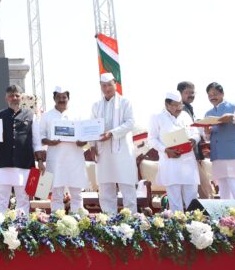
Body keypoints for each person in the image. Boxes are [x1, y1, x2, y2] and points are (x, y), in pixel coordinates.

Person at [89, 72, 138, 214]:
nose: (107, 88)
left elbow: (131, 123)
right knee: (105, 189)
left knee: (127, 188)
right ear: (100, 87)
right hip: (103, 152)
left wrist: (111, 133)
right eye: (104, 86)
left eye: (109, 85)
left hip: (123, 152)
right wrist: (92, 146)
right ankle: (109, 220)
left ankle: (131, 220)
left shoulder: (125, 102)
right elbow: (91, 127)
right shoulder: (96, 106)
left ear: (115, 84)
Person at [0, 84, 45, 214]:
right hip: (3, 163)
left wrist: (40, 161)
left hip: (24, 163)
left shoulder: (31, 115)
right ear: (6, 98)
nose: (14, 98)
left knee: (23, 199)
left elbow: (36, 141)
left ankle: (22, 224)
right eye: (11, 96)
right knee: (1, 199)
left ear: (21, 98)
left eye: (17, 95)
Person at [39, 87, 88, 213]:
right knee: (56, 193)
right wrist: (50, 142)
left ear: (68, 98)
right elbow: (41, 136)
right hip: (56, 159)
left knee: (77, 193)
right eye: (58, 97)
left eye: (64, 97)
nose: (61, 100)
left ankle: (78, 217)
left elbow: (85, 136)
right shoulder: (46, 116)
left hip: (75, 158)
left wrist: (82, 142)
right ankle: (57, 218)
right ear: (54, 98)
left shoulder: (78, 115)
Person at [148, 92, 200, 211]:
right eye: (175, 105)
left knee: (192, 197)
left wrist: (194, 140)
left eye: (180, 104)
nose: (178, 108)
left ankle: (195, 222)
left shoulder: (185, 115)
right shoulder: (156, 117)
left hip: (188, 162)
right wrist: (165, 150)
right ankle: (178, 223)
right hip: (170, 162)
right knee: (175, 201)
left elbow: (196, 132)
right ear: (166, 104)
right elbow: (151, 139)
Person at [204, 82, 235, 201]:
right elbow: (206, 137)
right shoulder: (208, 114)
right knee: (223, 190)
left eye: (215, 94)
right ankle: (228, 213)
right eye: (210, 95)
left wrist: (231, 117)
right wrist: (207, 132)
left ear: (222, 94)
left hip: (233, 154)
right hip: (217, 156)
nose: (212, 97)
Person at [178, 80, 213, 198]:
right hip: (188, 155)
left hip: (193, 155)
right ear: (179, 94)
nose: (191, 95)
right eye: (187, 92)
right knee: (205, 190)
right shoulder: (180, 110)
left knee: (203, 189)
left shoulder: (188, 108)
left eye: (193, 93)